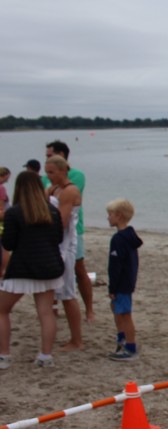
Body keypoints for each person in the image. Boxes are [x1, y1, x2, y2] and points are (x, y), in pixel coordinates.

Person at [0, 171, 65, 369]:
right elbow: (59, 239)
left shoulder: (14, 213)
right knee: (46, 312)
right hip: (49, 267)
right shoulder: (52, 212)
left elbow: (9, 243)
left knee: (2, 310)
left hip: (22, 268)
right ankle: (45, 355)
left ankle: (4, 355)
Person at [43, 141, 95, 323]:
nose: (47, 158)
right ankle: (53, 309)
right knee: (52, 273)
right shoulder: (49, 181)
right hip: (53, 235)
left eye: (50, 155)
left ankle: (89, 310)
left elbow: (63, 214)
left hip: (73, 232)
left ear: (62, 156)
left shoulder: (76, 177)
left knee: (79, 269)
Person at [44, 156, 84, 350]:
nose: (48, 176)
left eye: (51, 172)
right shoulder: (54, 189)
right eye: (47, 172)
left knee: (68, 293)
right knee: (50, 291)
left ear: (63, 170)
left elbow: (62, 222)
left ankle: (77, 340)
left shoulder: (70, 190)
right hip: (53, 244)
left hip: (66, 245)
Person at [106, 199, 143, 361]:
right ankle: (121, 339)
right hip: (127, 281)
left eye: (110, 214)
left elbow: (116, 266)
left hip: (122, 283)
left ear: (119, 216)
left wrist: (112, 288)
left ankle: (130, 347)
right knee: (116, 309)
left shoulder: (119, 239)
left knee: (125, 314)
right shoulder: (129, 235)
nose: (108, 217)